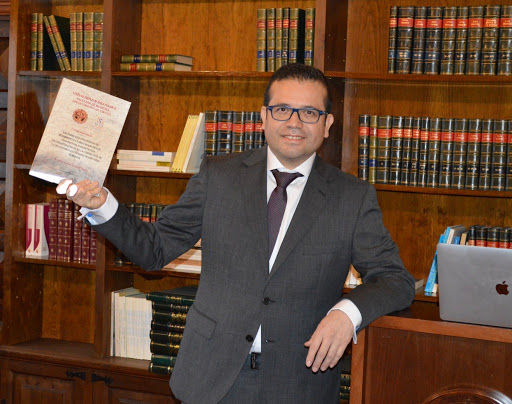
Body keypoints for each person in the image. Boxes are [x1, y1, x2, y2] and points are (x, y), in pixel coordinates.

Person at [58, 63, 415, 403]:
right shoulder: (219, 176)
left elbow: (395, 280)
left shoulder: (352, 197)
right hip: (211, 379)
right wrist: (103, 206)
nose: (294, 122)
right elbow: (154, 249)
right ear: (263, 117)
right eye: (282, 110)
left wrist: (347, 314)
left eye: (309, 112)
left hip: (299, 383)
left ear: (327, 124)